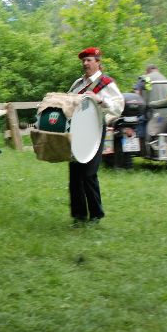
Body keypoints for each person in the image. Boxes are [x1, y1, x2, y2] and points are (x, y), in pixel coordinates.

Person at [67, 47, 124, 226]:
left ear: (98, 62)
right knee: (75, 175)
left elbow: (119, 106)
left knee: (88, 174)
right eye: (84, 61)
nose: (85, 63)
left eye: (89, 60)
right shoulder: (78, 83)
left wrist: (100, 100)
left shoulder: (106, 83)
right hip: (75, 132)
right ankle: (79, 216)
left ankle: (96, 215)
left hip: (94, 133)